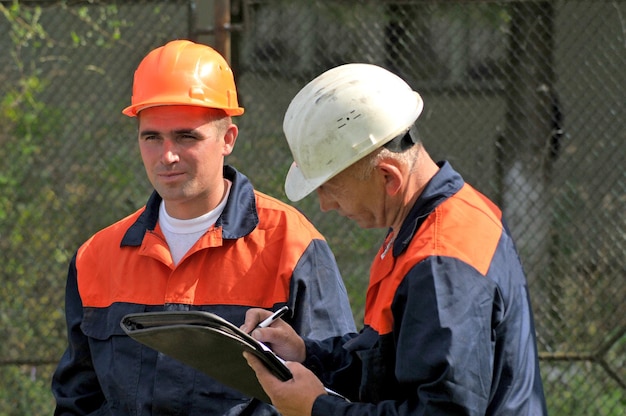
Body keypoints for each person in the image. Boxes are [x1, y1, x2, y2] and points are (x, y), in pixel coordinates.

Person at [51, 40, 356, 416]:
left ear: (228, 139)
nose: (167, 156)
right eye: (152, 137)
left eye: (186, 136)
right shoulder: (96, 257)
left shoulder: (291, 244)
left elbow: (334, 386)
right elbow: (77, 400)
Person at [242, 63, 548, 415]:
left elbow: (441, 411)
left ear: (388, 177)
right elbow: (388, 363)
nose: (325, 206)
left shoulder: (440, 262)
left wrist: (317, 409)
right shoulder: (431, 224)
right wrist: (306, 354)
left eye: (330, 189)